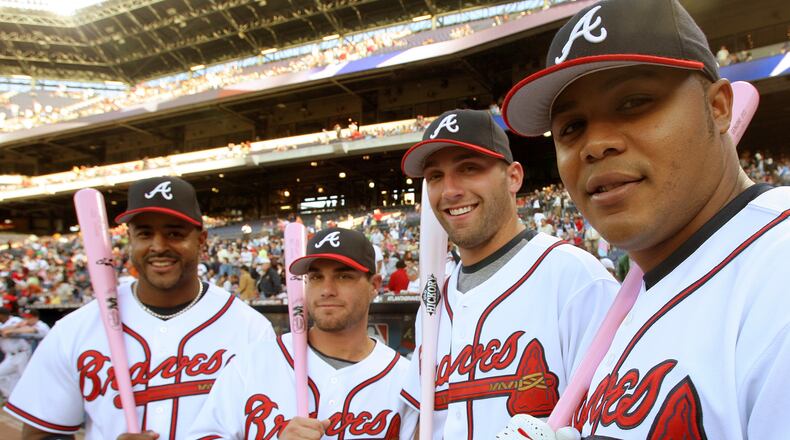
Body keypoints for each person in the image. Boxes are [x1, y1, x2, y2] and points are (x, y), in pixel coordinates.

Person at [502, 0, 790, 437]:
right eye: (572, 127)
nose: (595, 145)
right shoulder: (639, 297)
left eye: (634, 102)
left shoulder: (777, 272)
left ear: (718, 108)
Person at [399, 109, 619, 439]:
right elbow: (424, 422)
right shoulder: (433, 305)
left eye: (469, 168)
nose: (449, 190)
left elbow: (616, 421)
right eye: (435, 176)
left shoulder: (576, 279)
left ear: (514, 177)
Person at [5, 176, 275, 440]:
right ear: (130, 239)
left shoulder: (250, 329)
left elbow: (267, 428)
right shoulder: (75, 330)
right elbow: (41, 434)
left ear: (201, 240)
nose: (158, 246)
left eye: (174, 233)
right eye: (145, 233)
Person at [188, 228, 418, 439]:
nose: (327, 290)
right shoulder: (252, 364)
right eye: (316, 277)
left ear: (374, 285)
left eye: (343, 276)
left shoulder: (405, 380)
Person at [0, 308, 31, 401]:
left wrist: (11, 330)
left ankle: (30, 400)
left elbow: (26, 327)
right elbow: (3, 331)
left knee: (26, 379)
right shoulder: (2, 324)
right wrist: (8, 330)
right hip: (9, 356)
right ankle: (10, 398)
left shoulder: (15, 320)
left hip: (22, 354)